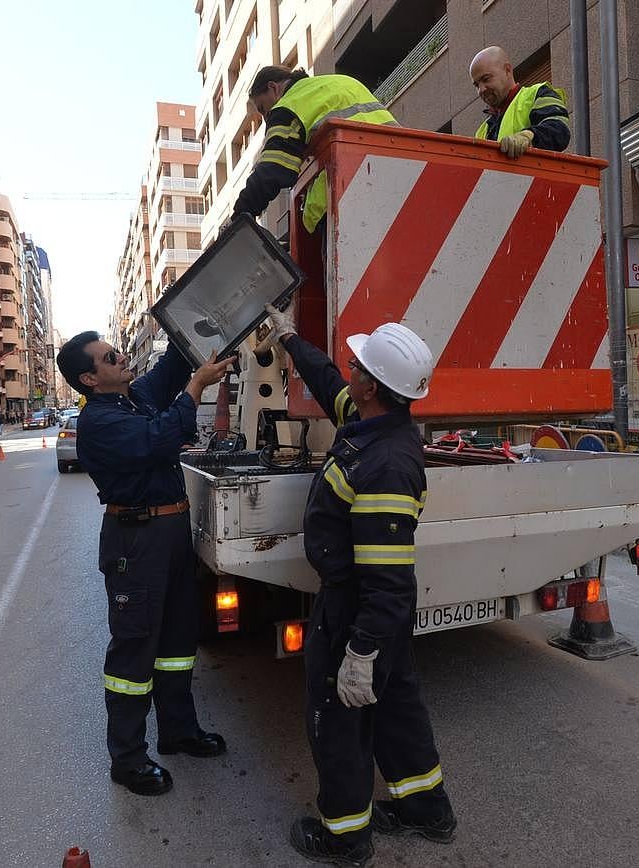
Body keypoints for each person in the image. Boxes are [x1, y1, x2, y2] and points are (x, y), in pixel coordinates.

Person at [263, 304, 457, 866]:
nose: (348, 369)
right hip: (374, 611)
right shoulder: (372, 422)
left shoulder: (386, 463)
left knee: (338, 721)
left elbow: (389, 578)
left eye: (358, 365)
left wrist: (361, 650)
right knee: (397, 707)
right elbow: (328, 384)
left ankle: (344, 837)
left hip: (360, 610)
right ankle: (427, 811)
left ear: (371, 385)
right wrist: (291, 340)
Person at [56, 331, 236, 797]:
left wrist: (192, 322)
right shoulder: (98, 421)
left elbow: (170, 369)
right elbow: (162, 438)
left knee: (178, 641)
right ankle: (128, 758)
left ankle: (178, 731)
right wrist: (197, 388)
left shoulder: (133, 398)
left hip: (171, 534)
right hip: (135, 541)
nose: (120, 357)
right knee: (134, 648)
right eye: (110, 357)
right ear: (90, 378)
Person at [233, 66, 398, 235]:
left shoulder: (287, 107)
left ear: (273, 88)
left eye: (262, 109)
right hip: (402, 176)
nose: (266, 117)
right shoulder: (344, 81)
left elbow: (272, 170)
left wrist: (241, 215)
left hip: (345, 193)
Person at [469, 45, 571, 158]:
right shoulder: (482, 132)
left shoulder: (537, 94)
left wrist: (528, 136)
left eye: (486, 79)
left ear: (507, 70)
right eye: (476, 85)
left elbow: (558, 129)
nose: (481, 89)